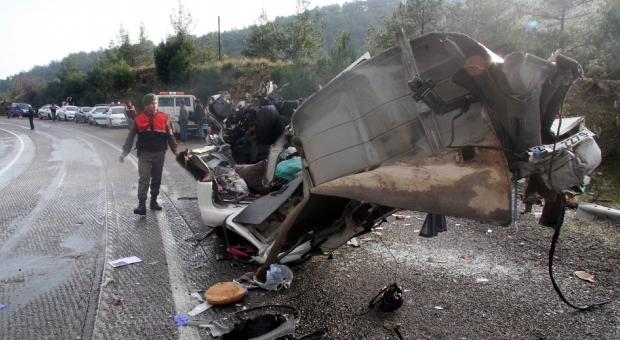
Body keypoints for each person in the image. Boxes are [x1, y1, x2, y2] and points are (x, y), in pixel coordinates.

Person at [119, 93, 179, 215]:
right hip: (144, 154)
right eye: (151, 103)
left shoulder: (164, 118)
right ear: (146, 105)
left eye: (155, 103)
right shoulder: (138, 118)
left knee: (157, 179)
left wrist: (175, 150)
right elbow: (130, 137)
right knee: (144, 178)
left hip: (159, 153)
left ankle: (154, 201)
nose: (154, 106)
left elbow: (170, 136)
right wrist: (124, 152)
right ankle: (141, 205)